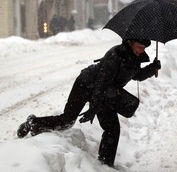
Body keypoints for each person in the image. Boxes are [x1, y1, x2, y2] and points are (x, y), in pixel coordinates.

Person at [17, 39, 161, 167]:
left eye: (144, 48)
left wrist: (151, 68)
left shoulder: (135, 58)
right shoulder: (115, 55)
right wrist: (94, 107)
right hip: (86, 84)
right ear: (130, 43)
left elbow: (136, 75)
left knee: (112, 128)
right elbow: (100, 84)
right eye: (139, 46)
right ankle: (33, 123)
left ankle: (105, 164)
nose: (142, 50)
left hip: (105, 92)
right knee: (67, 120)